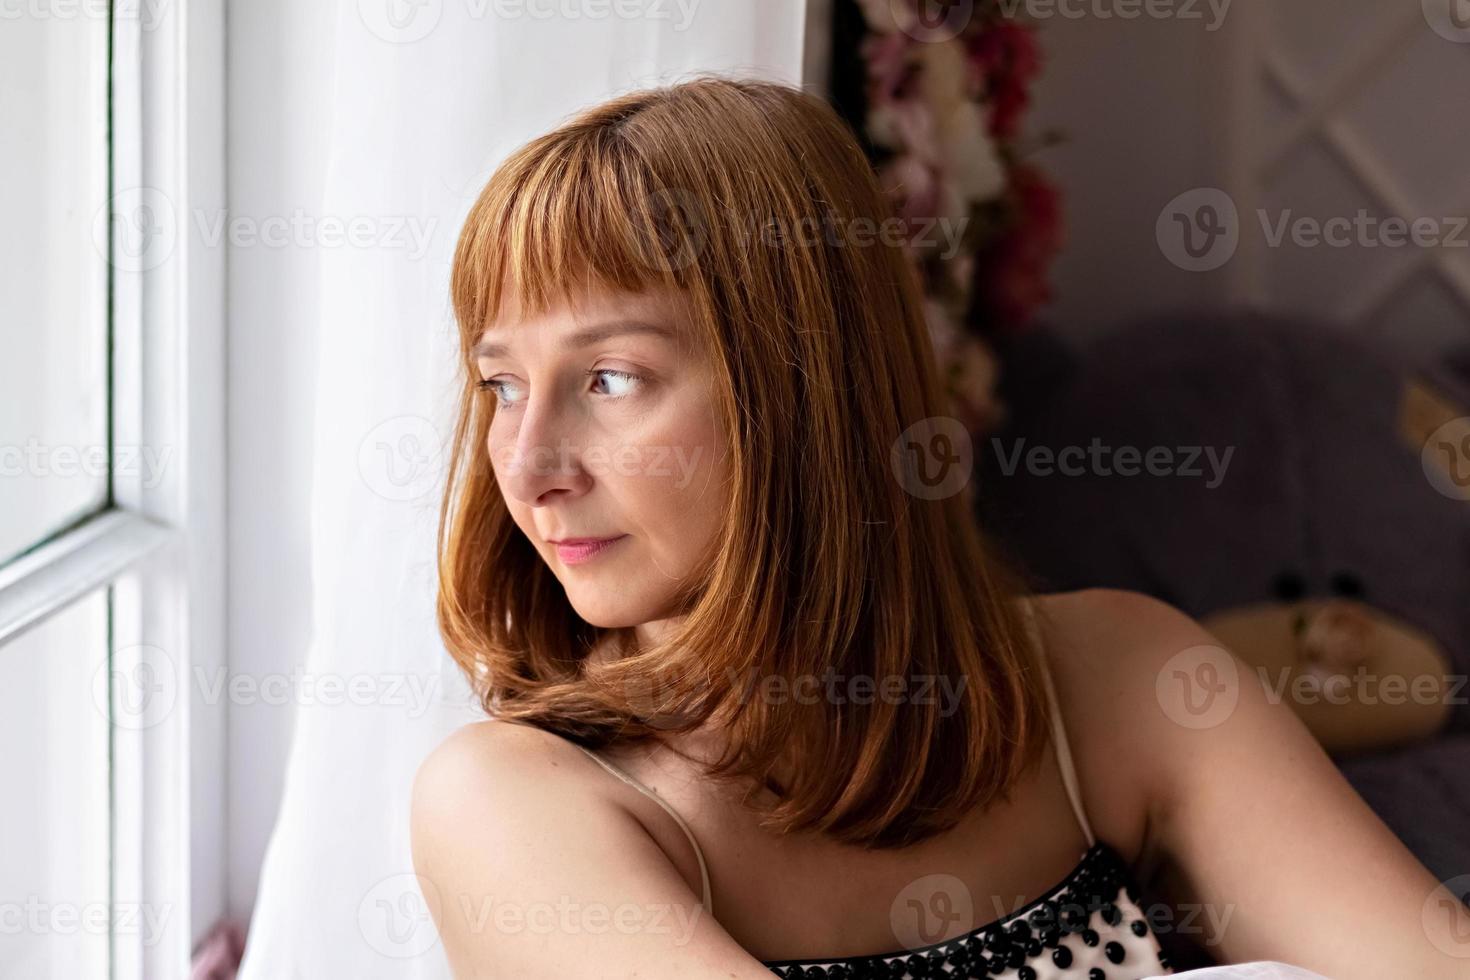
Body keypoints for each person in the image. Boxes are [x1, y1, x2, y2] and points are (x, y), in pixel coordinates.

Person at [410, 75, 1469, 979]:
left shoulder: (1119, 680)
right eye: (500, 384)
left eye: (608, 377)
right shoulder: (513, 802)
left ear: (806, 391)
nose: (530, 465)